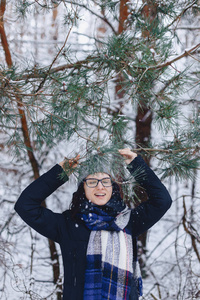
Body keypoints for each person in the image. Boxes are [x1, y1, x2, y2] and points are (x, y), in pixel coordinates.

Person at [14, 148, 172, 300]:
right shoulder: (67, 224)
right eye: (92, 181)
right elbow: (25, 205)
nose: (100, 186)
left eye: (105, 181)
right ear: (82, 186)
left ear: (113, 186)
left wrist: (137, 165)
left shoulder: (128, 221)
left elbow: (162, 201)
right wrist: (61, 173)